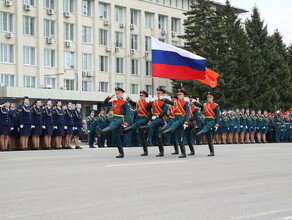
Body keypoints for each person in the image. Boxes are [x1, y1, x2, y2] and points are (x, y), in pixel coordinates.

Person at [96, 87, 130, 158]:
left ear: (122, 94)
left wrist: (126, 123)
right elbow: (104, 103)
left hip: (120, 119)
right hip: (114, 118)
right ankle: (121, 153)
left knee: (113, 125)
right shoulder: (114, 102)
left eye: (118, 93)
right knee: (116, 137)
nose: (117, 95)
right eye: (116, 93)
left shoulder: (125, 102)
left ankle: (102, 132)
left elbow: (128, 113)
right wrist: (109, 97)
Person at [138, 88, 168, 157]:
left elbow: (165, 112)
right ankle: (145, 151)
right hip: (153, 119)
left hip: (160, 119)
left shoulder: (165, 102)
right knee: (153, 135)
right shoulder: (154, 101)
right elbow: (147, 108)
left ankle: (161, 151)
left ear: (163, 94)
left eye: (160, 93)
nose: (158, 95)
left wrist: (157, 116)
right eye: (157, 93)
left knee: (158, 135)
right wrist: (150, 102)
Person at [160, 89, 190, 158]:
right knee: (179, 138)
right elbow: (170, 102)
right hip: (176, 118)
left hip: (181, 119)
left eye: (180, 95)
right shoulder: (176, 102)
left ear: (183, 95)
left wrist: (186, 122)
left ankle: (164, 133)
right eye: (178, 95)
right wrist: (163, 99)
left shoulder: (186, 103)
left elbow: (188, 113)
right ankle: (183, 153)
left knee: (178, 133)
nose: (179, 96)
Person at [124, 90, 152, 156]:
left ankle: (125, 130)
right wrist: (128, 99)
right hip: (139, 118)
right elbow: (133, 103)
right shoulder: (138, 102)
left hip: (144, 119)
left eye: (142, 96)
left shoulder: (148, 104)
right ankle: (145, 151)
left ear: (145, 97)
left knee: (137, 125)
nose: (141, 97)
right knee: (142, 138)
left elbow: (150, 113)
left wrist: (150, 120)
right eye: (140, 95)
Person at [193, 92, 220, 156]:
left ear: (213, 98)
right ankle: (212, 152)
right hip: (206, 120)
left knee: (206, 127)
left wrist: (217, 124)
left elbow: (218, 115)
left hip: (211, 120)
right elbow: (200, 105)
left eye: (209, 97)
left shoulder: (216, 106)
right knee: (209, 137)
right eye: (207, 97)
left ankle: (197, 135)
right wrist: (195, 102)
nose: (208, 98)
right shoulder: (205, 105)